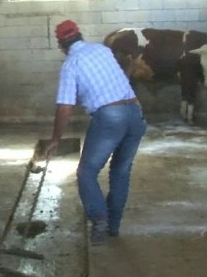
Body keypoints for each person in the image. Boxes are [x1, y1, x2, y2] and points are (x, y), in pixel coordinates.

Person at [43, 19, 147, 245]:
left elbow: (65, 107)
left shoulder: (72, 63)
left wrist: (55, 140)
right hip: (135, 113)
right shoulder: (102, 50)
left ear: (61, 45)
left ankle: (99, 218)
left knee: (86, 172)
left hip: (110, 117)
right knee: (121, 171)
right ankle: (113, 227)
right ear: (79, 36)